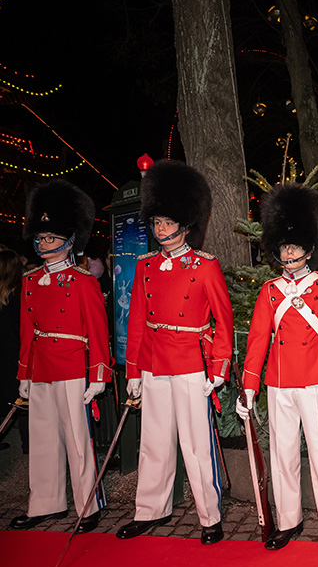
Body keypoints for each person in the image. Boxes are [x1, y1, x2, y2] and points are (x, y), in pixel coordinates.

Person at [116, 160, 234, 545]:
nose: (160, 230)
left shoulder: (205, 266)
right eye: (157, 223)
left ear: (185, 225)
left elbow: (223, 321)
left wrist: (218, 366)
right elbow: (136, 323)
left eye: (168, 223)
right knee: (153, 441)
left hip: (190, 362)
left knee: (197, 443)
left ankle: (209, 515)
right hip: (153, 362)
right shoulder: (145, 266)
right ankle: (150, 511)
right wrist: (133, 372)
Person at [237, 183, 318, 551]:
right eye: (284, 246)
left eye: (295, 245)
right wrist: (250, 386)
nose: (289, 251)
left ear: (308, 248)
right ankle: (288, 521)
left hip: (316, 380)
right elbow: (257, 340)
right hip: (279, 383)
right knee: (282, 455)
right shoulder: (269, 290)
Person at [11, 181, 113, 533]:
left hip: (71, 365)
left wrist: (99, 374)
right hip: (40, 368)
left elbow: (99, 332)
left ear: (70, 240)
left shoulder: (84, 282)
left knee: (77, 440)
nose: (43, 245)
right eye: (40, 238)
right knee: (41, 439)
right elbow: (27, 331)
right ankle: (45, 502)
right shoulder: (29, 280)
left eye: (51, 238)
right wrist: (24, 373)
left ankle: (89, 504)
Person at [0, 247, 26, 452]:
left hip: (6, 353)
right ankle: (29, 444)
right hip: (13, 353)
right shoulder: (18, 294)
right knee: (23, 400)